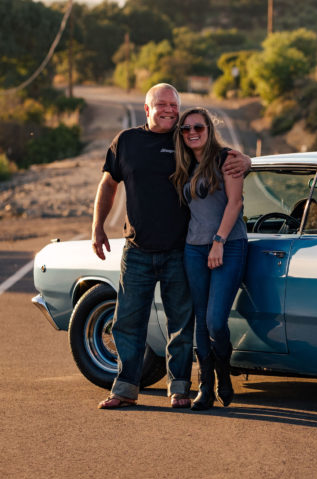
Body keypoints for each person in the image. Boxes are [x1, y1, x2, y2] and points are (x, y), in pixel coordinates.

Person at [92, 84, 250, 410]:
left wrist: (247, 160)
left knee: (181, 324)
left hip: (180, 250)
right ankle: (124, 389)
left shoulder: (183, 139)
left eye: (173, 106)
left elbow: (218, 154)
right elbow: (108, 183)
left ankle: (179, 388)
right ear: (147, 109)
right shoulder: (126, 141)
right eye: (161, 105)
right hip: (136, 249)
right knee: (127, 321)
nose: (168, 111)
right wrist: (98, 226)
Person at [171, 107, 248, 411]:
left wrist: (219, 241)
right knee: (200, 320)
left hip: (228, 246)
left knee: (216, 320)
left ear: (209, 129)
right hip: (193, 248)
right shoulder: (186, 163)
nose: (191, 133)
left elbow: (236, 202)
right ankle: (205, 385)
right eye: (185, 129)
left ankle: (224, 376)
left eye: (198, 128)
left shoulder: (227, 158)